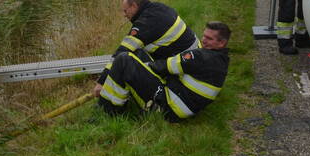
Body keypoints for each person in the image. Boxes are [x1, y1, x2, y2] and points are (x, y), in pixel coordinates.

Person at [93, 22, 231, 122]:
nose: (203, 40)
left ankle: (108, 112)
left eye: (209, 39)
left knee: (124, 60)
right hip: (179, 100)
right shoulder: (220, 59)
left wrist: (139, 67)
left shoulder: (200, 57)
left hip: (167, 108)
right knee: (138, 53)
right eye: (204, 36)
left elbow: (165, 66)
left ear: (221, 43)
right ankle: (122, 97)